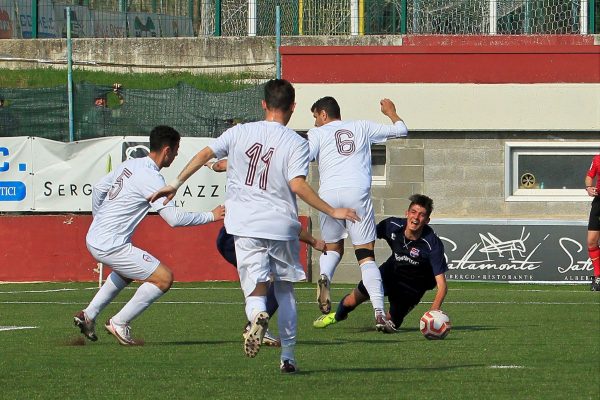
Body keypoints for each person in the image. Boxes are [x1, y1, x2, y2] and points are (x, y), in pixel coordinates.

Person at [149, 79, 359, 373]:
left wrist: (174, 184)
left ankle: (258, 315)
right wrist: (331, 209)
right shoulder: (297, 143)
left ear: (263, 104)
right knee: (285, 291)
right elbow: (297, 185)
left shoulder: (239, 132)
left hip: (244, 225)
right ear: (293, 107)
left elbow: (205, 155)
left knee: (256, 293)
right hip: (282, 226)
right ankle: (288, 357)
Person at [73, 125, 225, 345]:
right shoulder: (151, 177)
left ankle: (88, 315)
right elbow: (173, 219)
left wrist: (99, 219)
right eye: (175, 150)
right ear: (166, 150)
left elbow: (98, 189)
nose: (175, 156)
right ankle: (119, 322)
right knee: (163, 278)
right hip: (111, 244)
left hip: (95, 237)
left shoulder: (131, 164)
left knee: (126, 273)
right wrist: (211, 216)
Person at [307, 96, 408, 333]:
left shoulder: (316, 134)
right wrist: (391, 112)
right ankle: (380, 313)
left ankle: (324, 276)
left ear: (323, 114)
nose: (314, 122)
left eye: (315, 117)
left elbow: (303, 156)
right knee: (366, 256)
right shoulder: (361, 126)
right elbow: (402, 130)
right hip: (357, 193)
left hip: (329, 195)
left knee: (333, 248)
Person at [314, 194, 448, 331]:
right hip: (390, 273)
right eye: (413, 212)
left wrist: (433, 312)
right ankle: (337, 316)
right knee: (350, 302)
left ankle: (387, 319)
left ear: (427, 220)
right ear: (407, 213)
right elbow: (366, 236)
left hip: (413, 288)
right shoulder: (392, 225)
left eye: (421, 215)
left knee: (389, 325)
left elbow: (442, 285)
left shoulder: (432, 244)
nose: (416, 218)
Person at [216, 224, 326, 347]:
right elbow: (290, 224)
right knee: (279, 281)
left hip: (227, 236)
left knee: (263, 282)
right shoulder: (274, 206)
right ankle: (255, 326)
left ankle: (255, 322)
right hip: (243, 239)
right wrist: (314, 241)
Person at [585, 153, 600, 291]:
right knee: (591, 241)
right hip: (599, 203)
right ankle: (598, 276)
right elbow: (589, 176)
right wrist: (588, 188)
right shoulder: (597, 159)